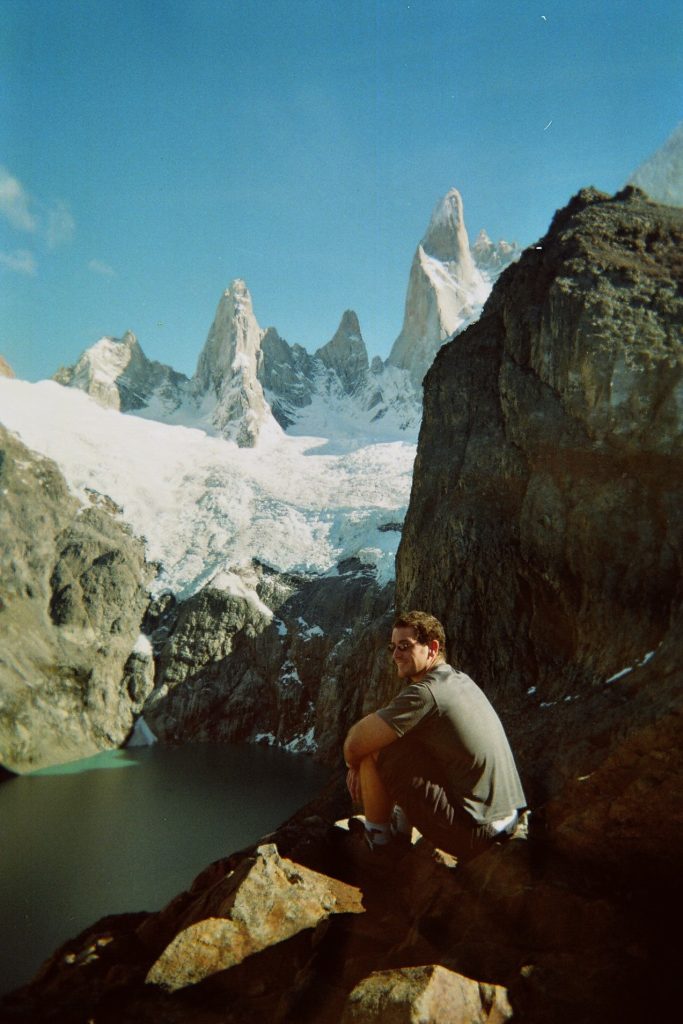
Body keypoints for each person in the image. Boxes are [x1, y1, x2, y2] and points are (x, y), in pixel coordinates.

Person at [343, 610, 528, 863]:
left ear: (432, 648)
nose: (395, 655)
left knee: (375, 752)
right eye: (393, 647)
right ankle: (399, 828)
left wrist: (354, 763)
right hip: (507, 819)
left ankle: (380, 846)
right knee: (402, 739)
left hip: (478, 833)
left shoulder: (427, 693)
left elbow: (356, 743)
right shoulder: (458, 680)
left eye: (405, 646)